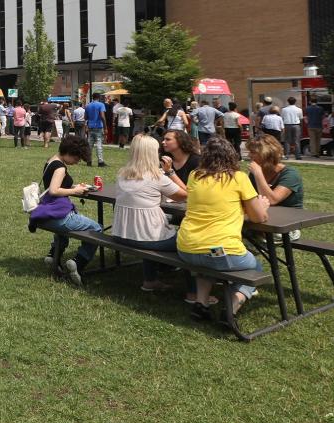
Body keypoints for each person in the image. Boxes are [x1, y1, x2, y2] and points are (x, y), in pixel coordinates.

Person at [176, 138, 270, 320]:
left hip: (187, 248)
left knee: (206, 263)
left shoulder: (195, 175)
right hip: (222, 251)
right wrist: (262, 206)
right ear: (231, 156)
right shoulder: (238, 178)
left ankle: (201, 303)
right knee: (256, 267)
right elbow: (259, 217)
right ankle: (231, 308)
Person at [111, 134, 190, 293]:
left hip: (121, 235)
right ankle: (194, 292)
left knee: (149, 231)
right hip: (146, 238)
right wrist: (170, 173)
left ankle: (150, 280)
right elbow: (185, 194)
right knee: (190, 242)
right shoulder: (157, 177)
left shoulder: (122, 175)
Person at [31, 134, 102, 285]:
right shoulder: (60, 168)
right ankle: (78, 262)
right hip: (59, 216)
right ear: (70, 152)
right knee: (97, 229)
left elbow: (55, 185)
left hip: (48, 213)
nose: (77, 162)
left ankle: (53, 257)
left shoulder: (52, 161)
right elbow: (54, 190)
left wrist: (74, 186)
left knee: (64, 233)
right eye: (77, 159)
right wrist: (75, 192)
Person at [84, 92, 108, 167]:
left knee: (89, 145)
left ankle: (89, 161)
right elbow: (102, 116)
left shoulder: (88, 106)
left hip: (90, 126)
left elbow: (85, 117)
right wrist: (105, 127)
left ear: (92, 97)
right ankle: (100, 162)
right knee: (99, 144)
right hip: (98, 126)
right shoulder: (101, 105)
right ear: (99, 97)